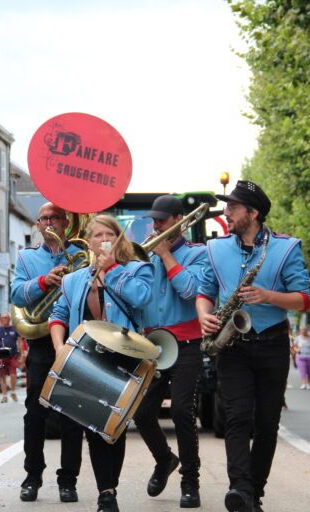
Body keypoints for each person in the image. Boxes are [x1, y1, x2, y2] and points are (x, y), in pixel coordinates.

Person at [196, 180, 310, 512]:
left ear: (253, 213)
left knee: (266, 423)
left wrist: (269, 296)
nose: (226, 213)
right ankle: (239, 489)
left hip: (273, 343)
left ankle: (252, 493)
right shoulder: (215, 249)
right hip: (233, 346)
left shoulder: (287, 248)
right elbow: (205, 291)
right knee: (236, 417)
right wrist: (204, 315)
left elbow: (304, 299)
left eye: (232, 208)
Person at [49, 214, 154, 512]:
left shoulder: (137, 270)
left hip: (125, 357)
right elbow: (58, 315)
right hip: (87, 357)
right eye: (97, 235)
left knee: (113, 427)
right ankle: (106, 493)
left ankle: (110, 488)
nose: (104, 239)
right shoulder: (73, 279)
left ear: (119, 239)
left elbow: (143, 299)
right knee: (94, 425)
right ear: (90, 241)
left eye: (110, 234)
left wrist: (113, 271)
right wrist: (59, 347)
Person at [133, 195, 207, 508]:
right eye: (154, 221)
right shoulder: (144, 257)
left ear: (178, 220)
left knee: (181, 411)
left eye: (162, 220)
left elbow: (191, 291)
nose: (156, 226)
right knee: (142, 412)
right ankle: (164, 459)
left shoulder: (198, 253)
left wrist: (166, 257)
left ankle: (190, 481)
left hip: (188, 344)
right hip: (154, 344)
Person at [11, 202, 84, 504]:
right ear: (38, 225)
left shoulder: (80, 256)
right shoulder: (27, 258)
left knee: (72, 414)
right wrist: (44, 282)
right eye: (44, 218)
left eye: (56, 217)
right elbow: (16, 294)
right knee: (35, 413)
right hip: (41, 342)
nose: (50, 223)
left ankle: (68, 480)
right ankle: (32, 476)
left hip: (75, 339)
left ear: (66, 222)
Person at [0, 312, 20, 403]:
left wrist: (22, 354)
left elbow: (20, 341)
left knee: (13, 374)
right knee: (2, 376)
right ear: (1, 319)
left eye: (7, 318)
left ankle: (13, 392)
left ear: (9, 319)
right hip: (1, 356)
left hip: (12, 355)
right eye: (3, 318)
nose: (5, 319)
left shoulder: (14, 329)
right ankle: (4, 395)